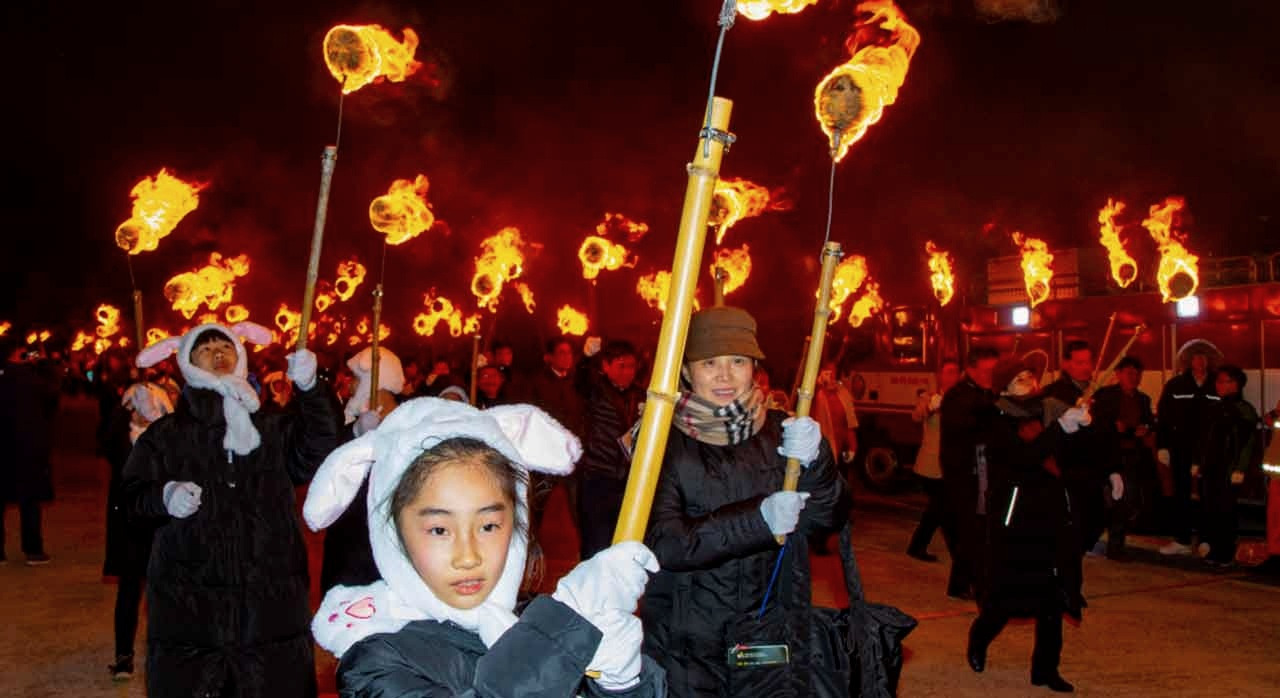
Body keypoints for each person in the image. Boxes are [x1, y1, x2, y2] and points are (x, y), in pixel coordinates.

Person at [305, 398, 665, 696]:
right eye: (439, 530)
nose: (468, 556)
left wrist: (621, 684)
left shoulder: (527, 617)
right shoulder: (375, 661)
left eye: (489, 526)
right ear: (394, 535)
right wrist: (562, 635)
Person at [639, 306, 851, 696]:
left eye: (737, 361)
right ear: (686, 371)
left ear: (754, 367)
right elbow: (663, 542)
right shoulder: (660, 441)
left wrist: (817, 461)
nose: (725, 375)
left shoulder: (780, 432)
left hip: (768, 634)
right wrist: (758, 521)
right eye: (709, 363)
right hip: (686, 646)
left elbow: (827, 519)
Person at [123, 322, 341, 697]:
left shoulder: (271, 426)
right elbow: (129, 499)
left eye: (225, 346)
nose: (218, 353)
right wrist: (164, 495)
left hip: (269, 613)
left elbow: (320, 446)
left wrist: (311, 389)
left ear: (240, 356)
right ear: (187, 363)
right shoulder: (167, 435)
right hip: (191, 614)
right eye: (205, 348)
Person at [968, 357, 1090, 694]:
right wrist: (1059, 430)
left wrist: (1080, 425)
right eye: (1020, 378)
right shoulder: (997, 419)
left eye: (1031, 377)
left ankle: (1045, 670)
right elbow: (1024, 457)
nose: (1030, 382)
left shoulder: (1048, 410)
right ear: (1006, 388)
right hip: (1015, 521)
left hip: (1049, 518)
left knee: (1052, 600)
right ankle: (980, 636)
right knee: (1005, 600)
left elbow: (1066, 456)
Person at [101, 382, 173, 680]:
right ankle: (123, 655)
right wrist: (124, 409)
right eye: (135, 407)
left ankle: (169, 652)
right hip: (130, 528)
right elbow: (106, 443)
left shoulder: (167, 439)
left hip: (162, 528)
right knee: (129, 592)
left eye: (149, 405)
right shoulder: (122, 440)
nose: (141, 412)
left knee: (166, 595)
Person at [321, 346, 405, 592]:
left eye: (357, 379)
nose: (351, 387)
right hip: (348, 545)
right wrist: (355, 434)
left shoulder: (409, 424)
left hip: (388, 548)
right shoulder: (349, 424)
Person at [940, 345, 1000, 600]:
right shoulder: (958, 396)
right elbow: (964, 427)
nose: (990, 376)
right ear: (972, 369)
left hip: (981, 472)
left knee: (977, 530)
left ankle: (966, 581)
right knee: (969, 529)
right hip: (964, 474)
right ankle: (965, 582)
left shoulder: (987, 393)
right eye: (987, 371)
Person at [577, 339, 645, 559]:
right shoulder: (596, 390)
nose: (627, 372)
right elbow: (581, 378)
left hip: (628, 479)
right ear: (606, 366)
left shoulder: (640, 394)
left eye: (631, 366)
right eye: (621, 366)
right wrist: (587, 358)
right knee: (596, 541)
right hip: (598, 476)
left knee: (623, 540)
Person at [1042, 340, 1112, 556]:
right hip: (1067, 470)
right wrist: (1067, 420)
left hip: (1093, 469)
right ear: (1066, 364)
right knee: (1071, 522)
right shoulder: (1053, 393)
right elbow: (1046, 431)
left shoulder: (1101, 393)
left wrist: (1114, 468)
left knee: (1096, 517)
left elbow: (1107, 432)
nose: (1085, 367)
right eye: (1079, 362)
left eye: (1088, 362)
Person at [514, 336, 587, 537]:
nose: (567, 357)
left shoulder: (577, 382)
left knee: (577, 507)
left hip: (572, 455)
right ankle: (531, 544)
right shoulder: (537, 383)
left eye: (569, 353)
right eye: (561, 353)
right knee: (537, 506)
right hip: (546, 457)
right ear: (550, 357)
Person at [1156, 340, 1219, 555]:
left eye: (1204, 357)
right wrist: (1162, 446)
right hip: (1181, 449)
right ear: (1189, 361)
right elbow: (1163, 416)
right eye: (1196, 357)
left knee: (1208, 494)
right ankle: (1181, 540)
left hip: (1210, 451)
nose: (1200, 361)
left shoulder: (1218, 384)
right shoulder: (1175, 385)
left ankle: (1206, 540)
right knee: (1181, 493)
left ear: (1209, 361)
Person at [0, 338, 60, 565]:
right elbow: (53, 393)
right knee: (30, 500)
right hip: (28, 447)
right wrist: (44, 363)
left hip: (3, 446)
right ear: (18, 353)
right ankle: (33, 550)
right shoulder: (30, 378)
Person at [1090, 356, 1154, 559]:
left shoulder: (1143, 399)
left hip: (1133, 454)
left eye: (1137, 374)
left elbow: (1149, 422)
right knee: (1116, 499)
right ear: (1118, 374)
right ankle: (1112, 545)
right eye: (1129, 373)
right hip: (1110, 455)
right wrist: (1113, 426)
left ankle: (1116, 543)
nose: (1134, 377)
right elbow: (1094, 421)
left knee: (1128, 499)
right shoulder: (1105, 395)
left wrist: (1146, 428)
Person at [1198, 365, 1259, 567]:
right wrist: (1199, 463)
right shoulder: (1215, 407)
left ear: (1235, 384)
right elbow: (1206, 439)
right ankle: (1212, 549)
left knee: (1226, 510)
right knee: (1210, 508)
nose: (1218, 385)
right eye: (1217, 381)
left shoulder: (1244, 410)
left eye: (1223, 381)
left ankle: (1224, 552)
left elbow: (1247, 443)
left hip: (1228, 468)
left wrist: (1240, 468)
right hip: (1211, 467)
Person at [907, 358, 962, 562]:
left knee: (939, 509)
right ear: (940, 376)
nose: (952, 376)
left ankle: (918, 546)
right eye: (948, 372)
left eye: (955, 372)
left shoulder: (961, 399)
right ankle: (957, 552)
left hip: (951, 464)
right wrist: (931, 407)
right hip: (931, 465)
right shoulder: (929, 397)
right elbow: (916, 416)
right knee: (942, 508)